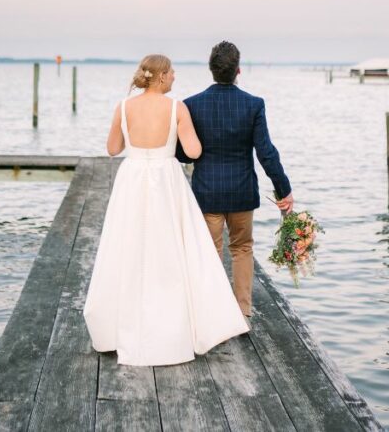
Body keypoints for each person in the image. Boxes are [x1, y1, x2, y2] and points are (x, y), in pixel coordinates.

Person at [83, 54, 249, 366]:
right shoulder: (176, 107)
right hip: (166, 180)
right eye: (172, 72)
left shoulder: (123, 106)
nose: (175, 77)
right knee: (169, 251)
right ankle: (172, 330)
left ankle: (119, 328)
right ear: (160, 76)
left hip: (132, 180)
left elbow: (112, 149)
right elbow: (194, 150)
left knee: (129, 248)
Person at [177, 41, 294, 319]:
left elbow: (184, 154)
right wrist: (283, 190)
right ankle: (243, 309)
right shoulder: (254, 105)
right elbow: (266, 153)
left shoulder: (191, 105)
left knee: (210, 250)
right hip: (242, 192)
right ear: (238, 70)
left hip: (207, 192)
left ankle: (212, 310)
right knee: (242, 248)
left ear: (211, 70)